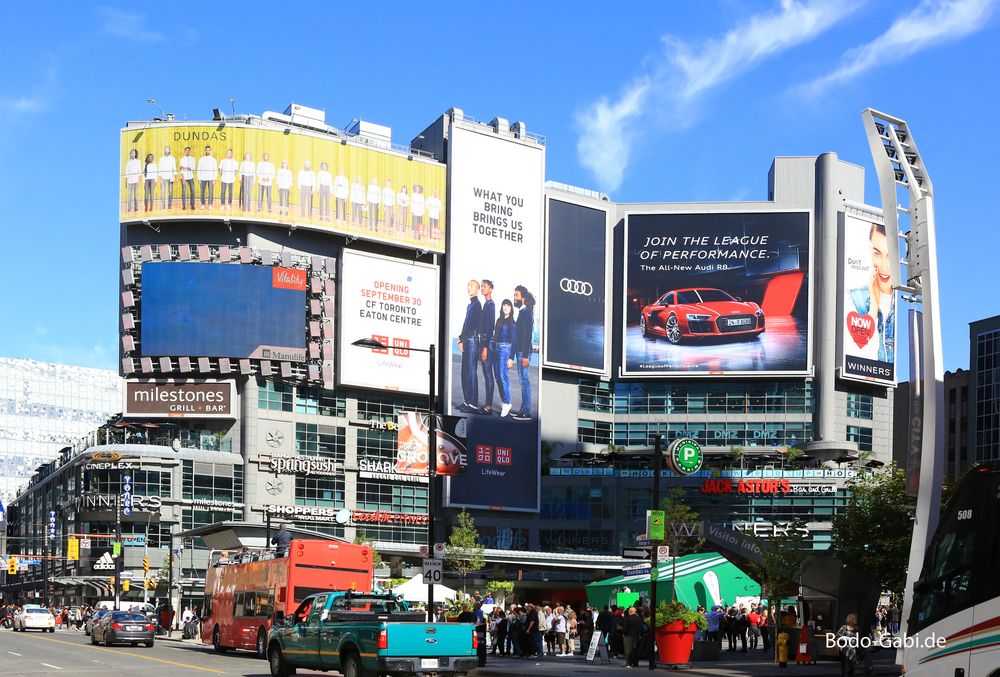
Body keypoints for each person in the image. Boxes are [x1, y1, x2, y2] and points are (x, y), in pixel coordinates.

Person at [849, 223, 895, 364]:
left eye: (890, 256)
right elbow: (859, 360)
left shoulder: (900, 300)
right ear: (870, 251)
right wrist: (874, 308)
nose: (884, 266)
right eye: (877, 253)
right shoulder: (855, 298)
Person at [457, 280, 482, 413]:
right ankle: (467, 402)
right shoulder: (470, 305)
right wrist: (460, 339)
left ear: (477, 290)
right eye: (468, 285)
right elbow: (465, 324)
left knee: (471, 371)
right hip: (467, 339)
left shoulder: (477, 305)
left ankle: (473, 404)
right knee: (464, 371)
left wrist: (462, 338)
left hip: (472, 340)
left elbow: (472, 325)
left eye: (472, 286)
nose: (469, 287)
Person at [511, 285, 535, 420]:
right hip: (521, 352)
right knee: (522, 380)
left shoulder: (526, 313)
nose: (514, 298)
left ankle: (526, 411)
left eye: (516, 296)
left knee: (524, 380)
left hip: (523, 353)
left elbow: (528, 336)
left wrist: (525, 355)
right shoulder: (523, 312)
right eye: (514, 295)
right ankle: (523, 409)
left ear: (523, 299)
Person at [492, 299, 516, 418]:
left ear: (511, 308)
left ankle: (507, 402)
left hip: (506, 349)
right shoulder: (499, 320)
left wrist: (511, 358)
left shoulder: (512, 323)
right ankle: (505, 400)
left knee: (503, 376)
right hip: (497, 349)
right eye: (504, 305)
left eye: (508, 306)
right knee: (497, 376)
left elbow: (515, 341)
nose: (506, 307)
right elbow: (495, 336)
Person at [478, 280, 496, 414]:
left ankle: (488, 406)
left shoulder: (491, 305)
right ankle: (487, 404)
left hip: (487, 343)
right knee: (486, 373)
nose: (482, 288)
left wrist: (485, 347)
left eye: (484, 286)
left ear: (490, 289)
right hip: (483, 341)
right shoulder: (486, 304)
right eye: (482, 286)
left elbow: (490, 328)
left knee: (488, 374)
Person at [836, 612, 861, 676]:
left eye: (856, 619)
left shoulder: (857, 629)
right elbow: (837, 637)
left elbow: (859, 639)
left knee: (852, 668)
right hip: (844, 651)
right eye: (854, 619)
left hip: (853, 651)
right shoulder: (844, 628)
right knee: (845, 668)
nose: (856, 620)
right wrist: (844, 638)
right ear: (850, 619)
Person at [197, 145, 218, 210]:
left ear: (210, 151)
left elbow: (215, 169)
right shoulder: (201, 159)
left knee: (211, 191)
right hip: (202, 178)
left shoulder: (213, 160)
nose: (207, 151)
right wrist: (199, 178)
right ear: (205, 150)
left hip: (211, 178)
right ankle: (203, 204)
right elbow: (199, 168)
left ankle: (210, 204)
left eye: (209, 150)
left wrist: (214, 178)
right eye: (206, 150)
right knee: (202, 191)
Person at [157, 146, 177, 210]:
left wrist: (175, 177)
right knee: (163, 192)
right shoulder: (161, 159)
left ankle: (169, 206)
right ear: (164, 150)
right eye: (166, 149)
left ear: (169, 150)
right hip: (163, 177)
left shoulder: (172, 158)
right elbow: (159, 169)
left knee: (170, 192)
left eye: (168, 149)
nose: (167, 151)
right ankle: (163, 206)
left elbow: (174, 168)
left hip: (170, 177)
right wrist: (160, 179)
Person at [178, 146, 196, 210]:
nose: (187, 151)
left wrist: (186, 167)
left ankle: (192, 205)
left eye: (188, 150)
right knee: (184, 192)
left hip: (191, 177)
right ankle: (184, 205)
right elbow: (181, 170)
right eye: (186, 150)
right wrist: (183, 179)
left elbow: (193, 169)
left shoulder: (193, 159)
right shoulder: (182, 159)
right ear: (184, 151)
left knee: (193, 191)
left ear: (189, 151)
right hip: (184, 178)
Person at [124, 148, 141, 212]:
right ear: (130, 154)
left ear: (135, 154)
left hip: (136, 181)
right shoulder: (128, 162)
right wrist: (126, 182)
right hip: (129, 181)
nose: (133, 154)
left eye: (134, 153)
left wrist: (139, 181)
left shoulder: (138, 161)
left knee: (136, 195)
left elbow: (139, 172)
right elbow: (126, 172)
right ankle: (129, 209)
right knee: (129, 196)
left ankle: (136, 208)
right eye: (132, 153)